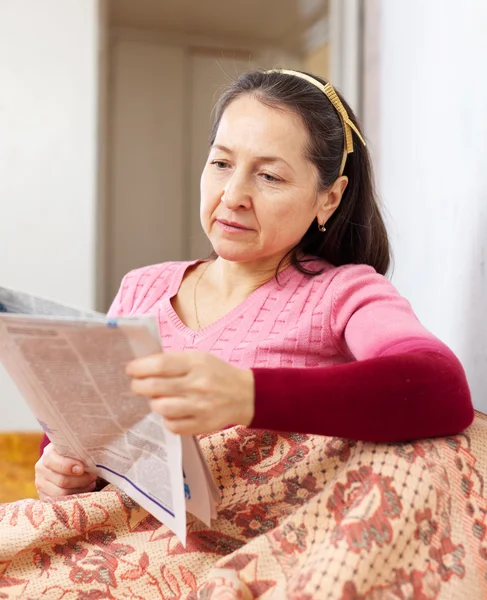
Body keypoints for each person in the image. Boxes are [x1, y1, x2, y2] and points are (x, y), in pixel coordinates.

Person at [35, 68, 473, 501]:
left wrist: (246, 395)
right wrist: (62, 471)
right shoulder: (142, 288)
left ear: (329, 198)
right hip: (126, 547)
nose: (232, 196)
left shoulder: (343, 293)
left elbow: (441, 386)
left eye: (269, 176)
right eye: (222, 163)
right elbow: (81, 432)